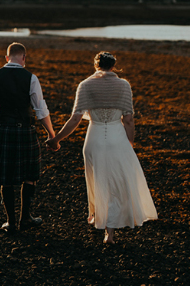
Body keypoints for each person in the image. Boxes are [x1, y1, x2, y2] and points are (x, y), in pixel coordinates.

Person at [47, 52, 158, 244]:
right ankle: (110, 232)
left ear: (96, 65)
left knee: (97, 180)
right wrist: (129, 144)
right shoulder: (124, 85)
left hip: (95, 138)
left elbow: (75, 119)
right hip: (117, 138)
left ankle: (99, 216)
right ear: (113, 66)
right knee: (115, 183)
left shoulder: (86, 85)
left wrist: (57, 139)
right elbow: (129, 120)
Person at [0, 42, 57, 234]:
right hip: (25, 130)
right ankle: (25, 219)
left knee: (6, 177)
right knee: (29, 176)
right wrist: (51, 134)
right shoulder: (31, 77)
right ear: (24, 58)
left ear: (7, 58)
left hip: (4, 130)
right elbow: (41, 110)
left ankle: (11, 222)